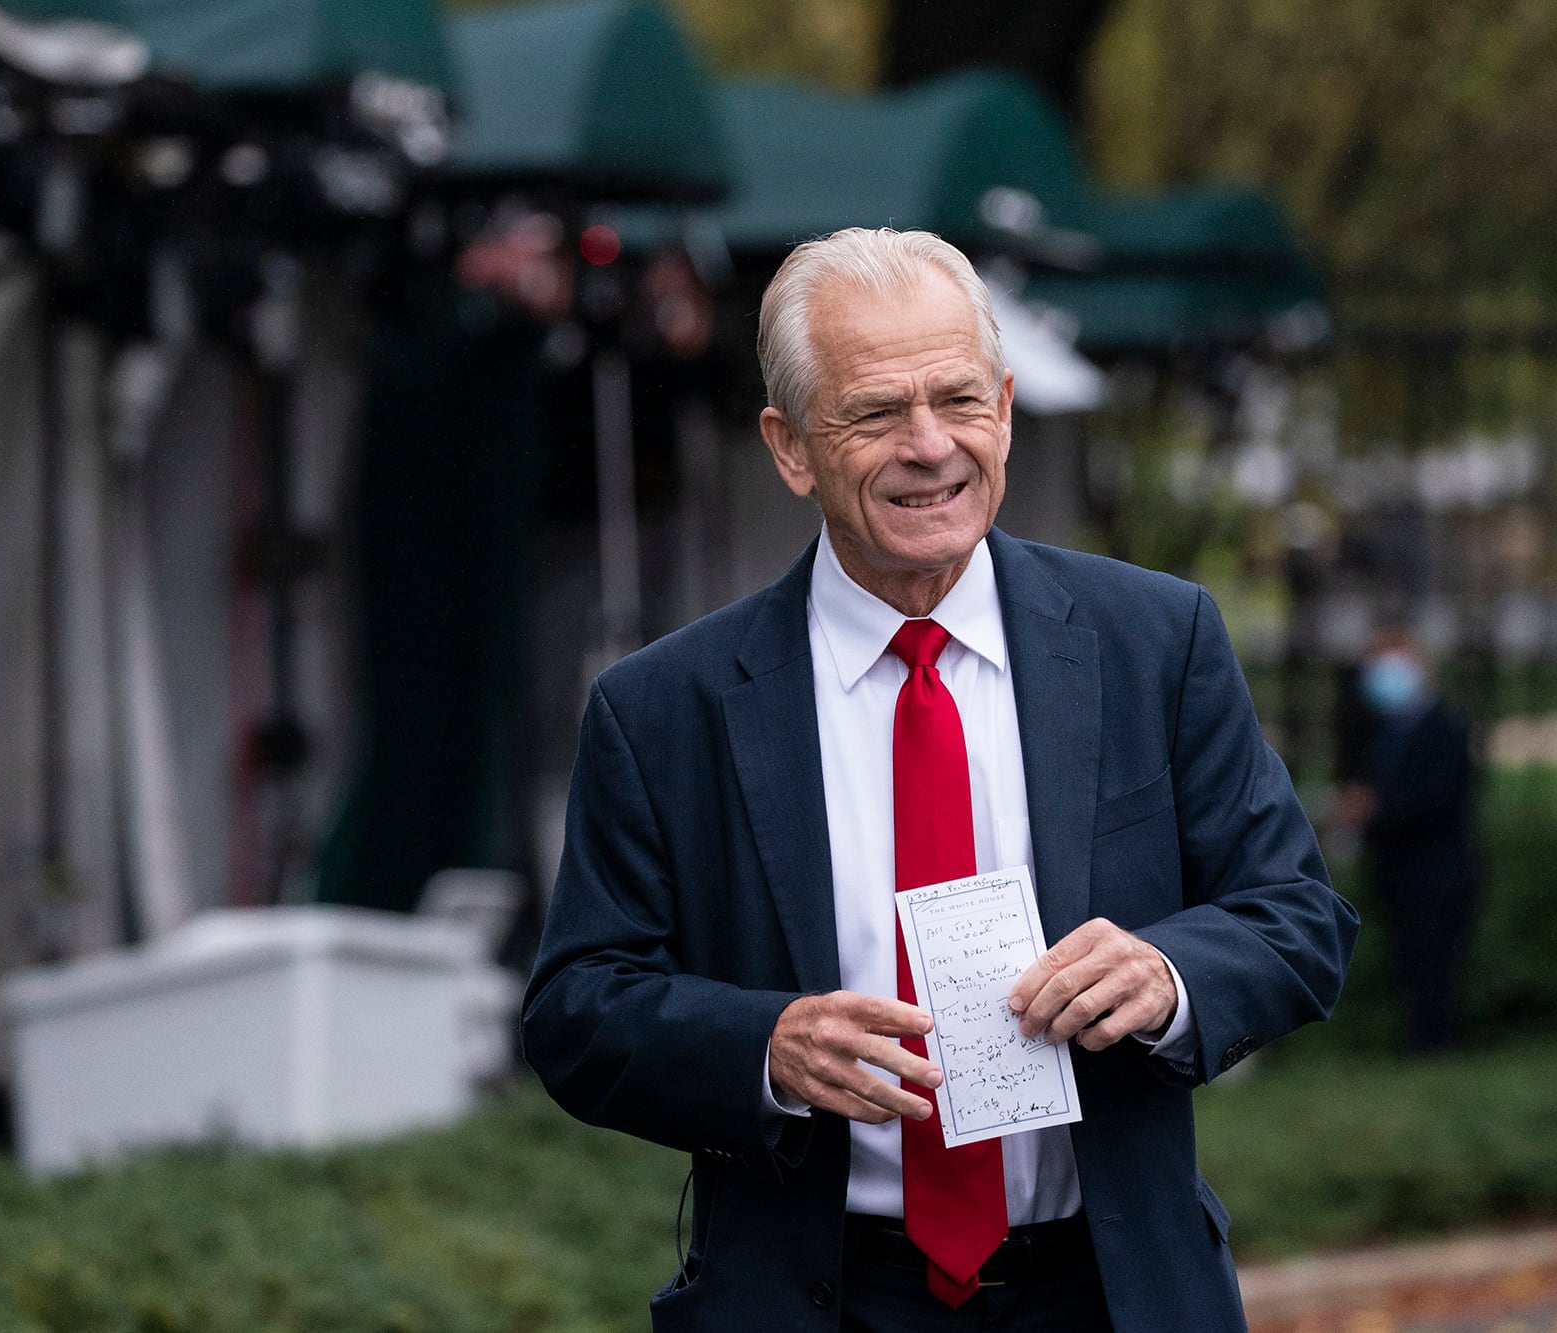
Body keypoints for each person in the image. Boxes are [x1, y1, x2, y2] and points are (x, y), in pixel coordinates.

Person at [522, 228, 1357, 1332]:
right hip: (818, 1299)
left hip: (1108, 1296)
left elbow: (1297, 919)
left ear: (1004, 407)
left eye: (957, 400)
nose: (930, 446)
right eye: (874, 413)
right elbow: (578, 1010)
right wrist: (765, 1046)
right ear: (789, 446)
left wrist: (1167, 972)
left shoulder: (1154, 641)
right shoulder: (663, 708)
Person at [1338, 628, 1478, 1052]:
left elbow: (1442, 798)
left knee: (1435, 965)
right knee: (1410, 964)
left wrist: (1377, 808)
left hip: (1437, 871)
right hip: (1399, 869)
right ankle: (1418, 1044)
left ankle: (1436, 1050)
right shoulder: (1388, 730)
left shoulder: (1444, 727)